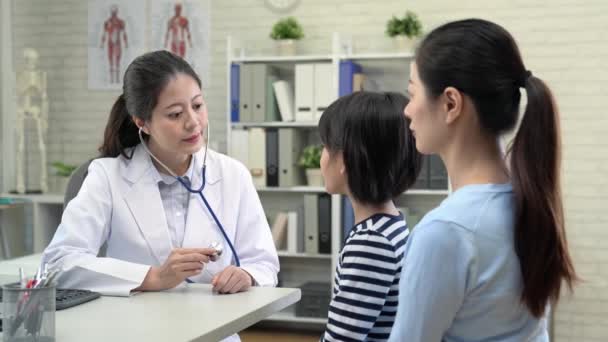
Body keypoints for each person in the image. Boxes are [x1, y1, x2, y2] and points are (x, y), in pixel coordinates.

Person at [388, 19, 577, 341]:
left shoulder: (445, 231)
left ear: (450, 104)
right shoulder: (530, 202)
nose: (407, 110)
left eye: (413, 93)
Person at [42, 51, 279, 301]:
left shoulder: (233, 174)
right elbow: (58, 264)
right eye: (175, 114)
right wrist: (154, 277)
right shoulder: (107, 177)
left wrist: (247, 275)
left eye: (197, 105)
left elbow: (263, 263)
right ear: (142, 123)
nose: (193, 122)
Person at [318, 91, 422, 341]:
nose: (321, 158)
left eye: (324, 146)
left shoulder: (371, 242)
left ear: (343, 159)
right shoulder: (390, 225)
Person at [100, 4, 128, 83]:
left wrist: (126, 43)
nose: (114, 13)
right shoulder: (107, 22)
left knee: (118, 61)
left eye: (115, 12)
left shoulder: (120, 22)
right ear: (111, 12)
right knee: (111, 61)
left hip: (117, 43)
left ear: (117, 12)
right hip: (110, 43)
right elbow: (104, 34)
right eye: (113, 12)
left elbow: (124, 33)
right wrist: (102, 43)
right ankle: (112, 80)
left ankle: (117, 79)